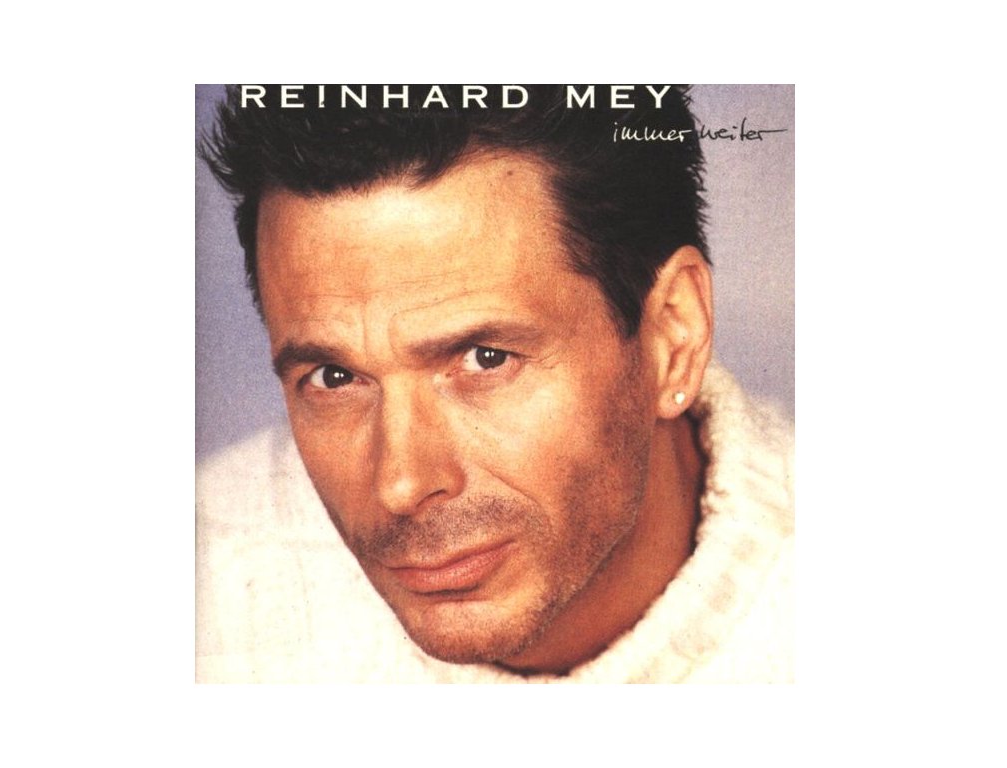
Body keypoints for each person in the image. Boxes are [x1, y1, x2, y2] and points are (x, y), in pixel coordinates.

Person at [196, 84, 794, 683]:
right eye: (335, 378)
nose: (401, 484)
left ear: (673, 337)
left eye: (486, 359)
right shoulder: (204, 582)